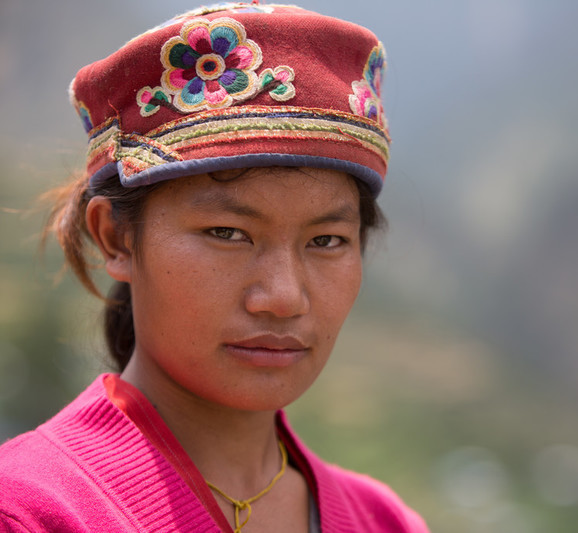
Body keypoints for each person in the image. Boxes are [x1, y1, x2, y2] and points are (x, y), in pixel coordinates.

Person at [0, 3, 428, 532]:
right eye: (227, 234)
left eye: (326, 240)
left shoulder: (384, 521)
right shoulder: (29, 513)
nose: (283, 296)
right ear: (116, 237)